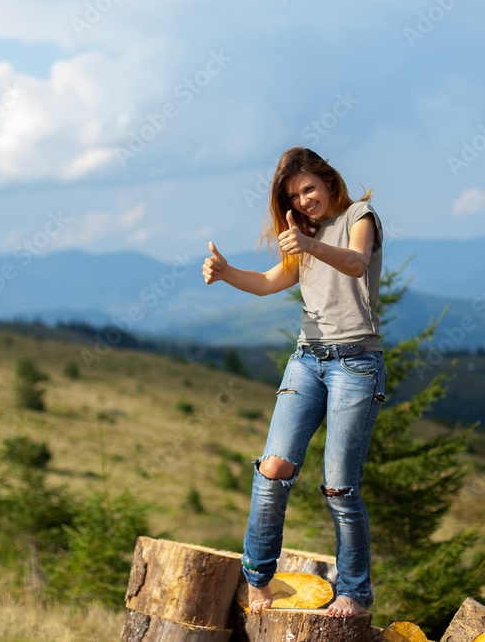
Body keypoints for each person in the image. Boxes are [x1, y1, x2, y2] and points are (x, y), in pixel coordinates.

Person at [201, 147, 386, 618]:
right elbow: (266, 282)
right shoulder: (300, 236)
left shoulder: (360, 216)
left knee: (340, 486)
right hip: (306, 359)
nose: (304, 200)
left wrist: (309, 247)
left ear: (327, 181)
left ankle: (354, 594)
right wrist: (226, 274)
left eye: (309, 188)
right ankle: (258, 578)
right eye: (294, 195)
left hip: (356, 363)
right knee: (273, 468)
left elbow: (356, 263)